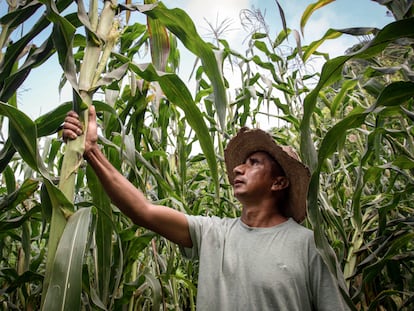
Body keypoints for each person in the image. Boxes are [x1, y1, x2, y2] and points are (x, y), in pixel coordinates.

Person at [63, 106, 350, 310]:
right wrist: (92, 151)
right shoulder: (213, 233)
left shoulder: (310, 247)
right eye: (242, 162)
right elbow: (144, 210)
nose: (238, 168)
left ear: (279, 182)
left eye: (254, 163)